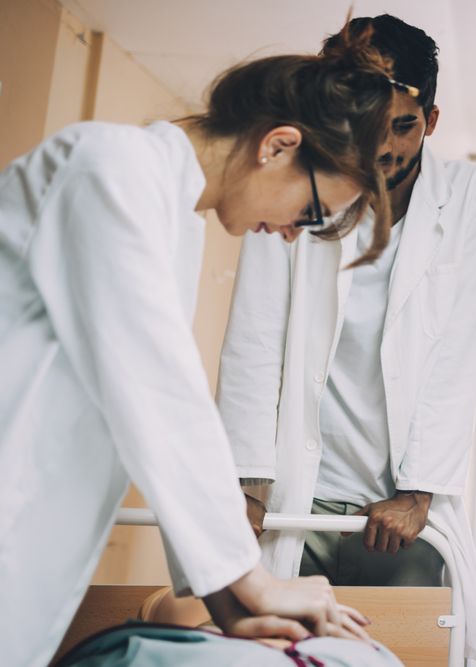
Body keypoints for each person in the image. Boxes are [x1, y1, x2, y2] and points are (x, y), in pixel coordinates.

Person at [0, 32, 398, 667]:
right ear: (279, 145)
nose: (295, 237)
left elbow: (153, 410)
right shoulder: (109, 166)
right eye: (314, 214)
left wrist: (232, 602)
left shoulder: (173, 215)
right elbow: (162, 397)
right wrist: (252, 581)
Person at [217, 14, 476, 662]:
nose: (386, 144)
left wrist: (419, 490)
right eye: (369, 123)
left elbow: (459, 355)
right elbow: (256, 337)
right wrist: (248, 485)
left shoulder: (474, 198)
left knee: (411, 646)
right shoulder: (299, 174)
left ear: (431, 121)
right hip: (300, 491)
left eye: (405, 125)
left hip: (399, 511)